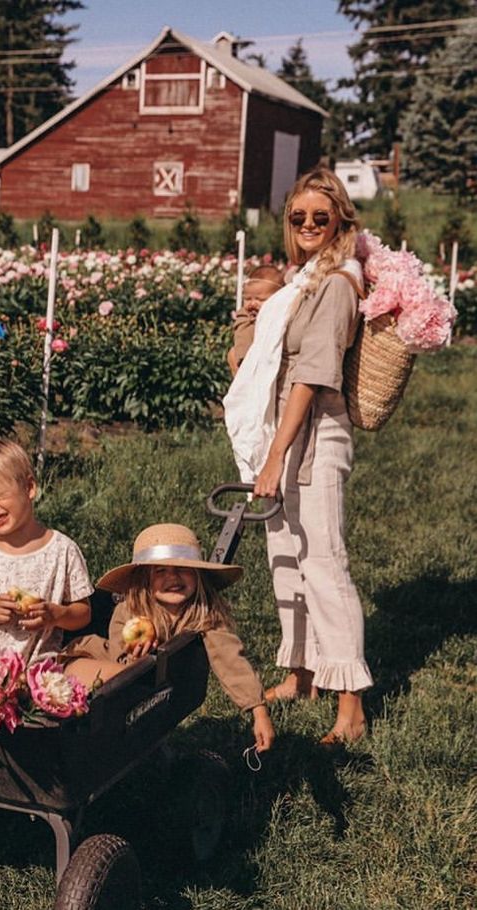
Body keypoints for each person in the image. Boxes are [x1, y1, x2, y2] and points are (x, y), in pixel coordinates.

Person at [224, 166, 373, 746]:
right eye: (298, 217)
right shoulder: (300, 282)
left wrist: (274, 456)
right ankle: (303, 672)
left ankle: (351, 704)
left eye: (320, 216)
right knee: (285, 553)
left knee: (324, 563)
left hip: (315, 436)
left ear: (340, 220)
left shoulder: (337, 284)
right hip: (284, 433)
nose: (309, 224)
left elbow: (311, 378)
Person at [63, 523, 275, 753]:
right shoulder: (130, 611)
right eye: (160, 571)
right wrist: (135, 657)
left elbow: (231, 659)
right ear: (145, 580)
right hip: (92, 660)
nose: (172, 577)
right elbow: (118, 654)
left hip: (136, 690)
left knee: (121, 702)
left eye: (181, 569)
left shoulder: (204, 613)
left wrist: (258, 709)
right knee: (91, 696)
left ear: (197, 574)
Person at [0, 438, 93, 665]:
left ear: (29, 488)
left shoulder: (62, 550)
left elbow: (83, 613)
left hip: (32, 663)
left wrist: (55, 615)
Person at [227, 265, 285, 376]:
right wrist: (243, 361)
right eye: (247, 298)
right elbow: (243, 339)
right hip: (248, 363)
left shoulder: (279, 314)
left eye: (260, 299)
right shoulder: (246, 317)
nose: (252, 303)